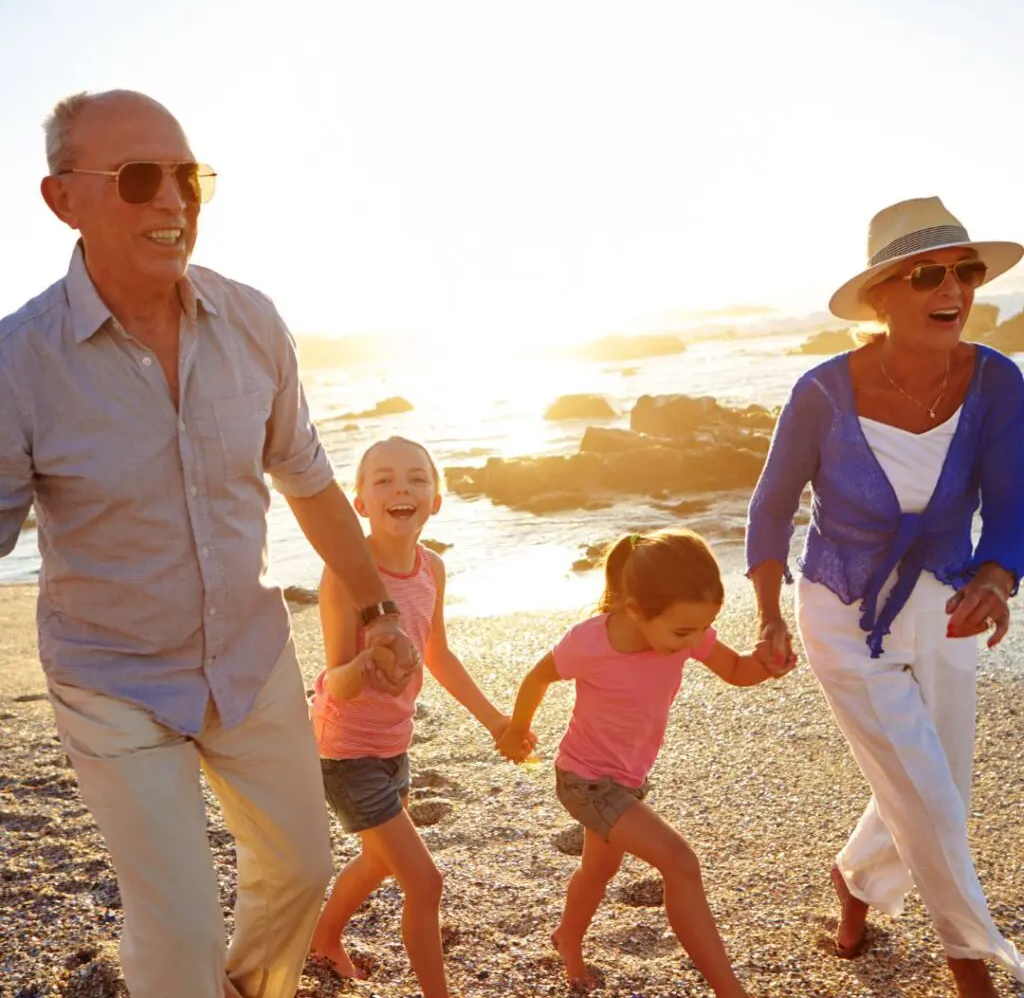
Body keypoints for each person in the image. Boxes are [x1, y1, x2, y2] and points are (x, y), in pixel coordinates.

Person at [0, 90, 419, 998]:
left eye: (187, 177)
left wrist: (382, 608)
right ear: (61, 198)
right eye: (140, 178)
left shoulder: (254, 323)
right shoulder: (17, 364)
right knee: (180, 929)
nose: (173, 201)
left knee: (303, 871)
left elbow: (307, 479)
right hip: (113, 683)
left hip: (249, 659)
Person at [746, 196, 1024, 997]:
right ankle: (971, 963)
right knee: (931, 796)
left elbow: (1012, 501)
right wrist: (768, 613)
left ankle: (857, 879)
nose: (953, 288)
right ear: (881, 299)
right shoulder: (822, 393)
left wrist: (996, 576)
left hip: (946, 603)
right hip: (841, 611)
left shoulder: (999, 383)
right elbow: (770, 507)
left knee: (938, 785)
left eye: (964, 272)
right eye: (926, 274)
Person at [497, 529, 794, 996]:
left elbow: (737, 670)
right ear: (636, 610)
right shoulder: (590, 642)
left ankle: (567, 938)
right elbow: (539, 676)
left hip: (628, 779)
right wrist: (518, 729)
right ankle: (729, 990)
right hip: (584, 781)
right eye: (684, 632)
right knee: (680, 863)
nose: (696, 641)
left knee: (599, 871)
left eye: (703, 628)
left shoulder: (682, 631)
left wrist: (768, 663)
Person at [308, 436, 533, 998]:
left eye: (416, 478)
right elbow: (334, 679)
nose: (400, 487)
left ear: (435, 499)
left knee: (378, 863)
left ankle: (322, 937)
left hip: (394, 743)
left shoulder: (432, 567)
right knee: (424, 882)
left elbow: (441, 657)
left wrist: (498, 723)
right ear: (358, 502)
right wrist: (367, 661)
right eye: (381, 480)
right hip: (345, 751)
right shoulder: (343, 575)